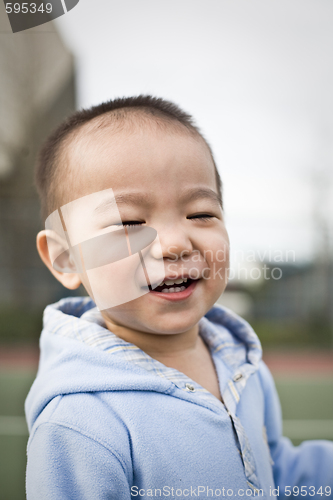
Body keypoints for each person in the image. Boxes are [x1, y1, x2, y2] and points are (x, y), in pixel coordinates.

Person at [25, 95, 333, 499]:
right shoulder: (82, 420)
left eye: (200, 214)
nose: (173, 243)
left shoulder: (241, 362)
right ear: (67, 258)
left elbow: (274, 474)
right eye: (130, 221)